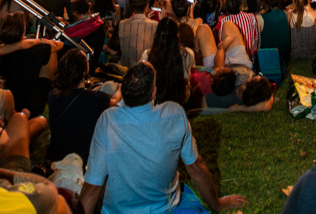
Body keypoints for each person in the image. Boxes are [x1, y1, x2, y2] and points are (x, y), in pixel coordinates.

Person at [77, 62, 245, 214]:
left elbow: (92, 185)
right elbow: (196, 166)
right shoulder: (174, 114)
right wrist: (217, 204)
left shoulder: (108, 120)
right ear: (154, 93)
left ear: (123, 92)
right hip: (165, 209)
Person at [46, 49, 112, 165]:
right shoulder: (98, 99)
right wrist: (119, 89)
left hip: (56, 156)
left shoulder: (52, 95)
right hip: (83, 159)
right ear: (83, 72)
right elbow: (115, 104)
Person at [0, 14, 62, 117]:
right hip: (30, 104)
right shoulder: (35, 50)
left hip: (3, 101)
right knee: (51, 52)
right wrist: (38, 41)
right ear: (23, 32)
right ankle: (47, 87)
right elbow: (58, 45)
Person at [117, 0, 158, 68]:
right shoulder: (155, 25)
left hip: (125, 68)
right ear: (147, 7)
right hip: (145, 70)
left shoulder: (122, 24)